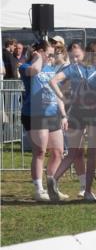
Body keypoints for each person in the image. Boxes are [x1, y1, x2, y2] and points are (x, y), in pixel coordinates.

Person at [48, 41, 96, 200]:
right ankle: (87, 191)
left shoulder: (74, 69)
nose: (75, 59)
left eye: (76, 56)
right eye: (72, 57)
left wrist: (63, 97)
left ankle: (54, 179)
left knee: (72, 153)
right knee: (90, 153)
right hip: (92, 112)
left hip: (77, 111)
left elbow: (53, 81)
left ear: (84, 53)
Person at [20, 41, 67, 202]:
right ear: (39, 52)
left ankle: (52, 187)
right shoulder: (26, 66)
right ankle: (39, 189)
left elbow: (56, 93)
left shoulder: (51, 69)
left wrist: (63, 114)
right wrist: (38, 57)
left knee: (58, 152)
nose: (51, 57)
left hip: (52, 114)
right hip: (35, 114)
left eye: (53, 55)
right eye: (49, 54)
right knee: (40, 151)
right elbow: (35, 70)